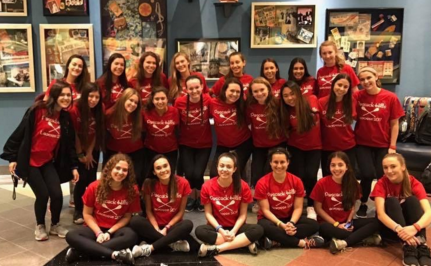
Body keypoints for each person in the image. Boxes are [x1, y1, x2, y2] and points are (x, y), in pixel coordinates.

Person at [1, 81, 79, 241]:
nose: (65, 98)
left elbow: (69, 144)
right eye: (62, 94)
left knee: (57, 195)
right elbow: (20, 133)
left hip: (47, 162)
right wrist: (12, 158)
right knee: (42, 195)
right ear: (54, 95)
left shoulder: (65, 117)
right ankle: (40, 226)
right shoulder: (37, 110)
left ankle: (55, 225)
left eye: (68, 95)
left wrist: (73, 166)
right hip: (29, 161)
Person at [65, 154, 140, 265]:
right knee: (71, 236)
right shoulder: (94, 187)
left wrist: (109, 232)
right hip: (96, 227)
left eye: (125, 170)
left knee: (132, 236)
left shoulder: (132, 190)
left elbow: (127, 216)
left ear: (128, 173)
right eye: (117, 168)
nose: (120, 172)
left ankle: (82, 251)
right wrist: (99, 233)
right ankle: (114, 254)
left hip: (116, 230)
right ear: (110, 169)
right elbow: (87, 214)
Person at [354, 67, 404, 218]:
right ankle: (363, 202)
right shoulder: (358, 96)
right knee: (367, 174)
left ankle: (382, 206)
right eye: (362, 79)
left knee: (383, 175)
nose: (366, 82)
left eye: (369, 77)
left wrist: (392, 146)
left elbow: (395, 124)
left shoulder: (390, 97)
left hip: (383, 144)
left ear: (376, 76)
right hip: (362, 143)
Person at [311, 151, 381, 254]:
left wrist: (348, 222)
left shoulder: (353, 184)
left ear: (347, 167)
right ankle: (360, 238)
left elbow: (352, 206)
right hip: (329, 224)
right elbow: (318, 209)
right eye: (333, 165)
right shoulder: (322, 183)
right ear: (329, 167)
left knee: (376, 222)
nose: (336, 168)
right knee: (323, 228)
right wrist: (336, 224)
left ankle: (342, 242)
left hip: (346, 224)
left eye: (340, 165)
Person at [195, 152, 264, 257]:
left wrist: (233, 231)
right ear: (217, 167)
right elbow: (208, 214)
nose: (224, 169)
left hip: (237, 227)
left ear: (234, 169)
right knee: (199, 231)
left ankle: (217, 248)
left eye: (229, 167)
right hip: (217, 228)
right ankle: (243, 243)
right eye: (222, 166)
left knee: (259, 229)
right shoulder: (207, 186)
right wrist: (221, 230)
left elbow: (243, 215)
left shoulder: (243, 186)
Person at [255, 148, 324, 249]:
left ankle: (276, 241)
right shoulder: (262, 183)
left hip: (290, 218)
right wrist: (281, 225)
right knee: (262, 228)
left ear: (288, 163)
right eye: (275, 162)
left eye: (282, 162)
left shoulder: (296, 181)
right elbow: (265, 210)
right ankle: (301, 243)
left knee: (314, 225)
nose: (279, 166)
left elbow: (298, 208)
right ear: (270, 163)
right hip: (271, 220)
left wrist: (291, 223)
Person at [130, 155, 195, 258]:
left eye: (165, 166)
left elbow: (181, 212)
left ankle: (149, 248)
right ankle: (172, 244)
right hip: (153, 227)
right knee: (135, 221)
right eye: (158, 168)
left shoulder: (183, 183)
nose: (163, 170)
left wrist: (166, 228)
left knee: (188, 224)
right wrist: (156, 229)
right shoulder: (148, 183)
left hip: (172, 227)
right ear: (154, 172)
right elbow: (148, 211)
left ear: (170, 167)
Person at [371, 153, 431, 266]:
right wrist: (402, 231)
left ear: (403, 166)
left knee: (412, 200)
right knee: (392, 201)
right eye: (385, 167)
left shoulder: (414, 183)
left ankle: (422, 245)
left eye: (393, 166)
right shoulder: (381, 183)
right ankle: (408, 247)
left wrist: (414, 228)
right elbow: (381, 214)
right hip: (391, 229)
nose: (389, 171)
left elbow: (429, 212)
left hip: (411, 230)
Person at [280, 80, 321, 220]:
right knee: (298, 177)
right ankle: (296, 205)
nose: (290, 98)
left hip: (315, 146)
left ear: (298, 92)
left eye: (292, 94)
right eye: (285, 96)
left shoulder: (312, 100)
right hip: (295, 146)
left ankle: (310, 206)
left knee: (311, 175)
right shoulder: (285, 110)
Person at [174, 75, 212, 212]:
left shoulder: (208, 100)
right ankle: (192, 198)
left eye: (197, 87)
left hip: (204, 143)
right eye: (191, 88)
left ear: (202, 87)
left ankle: (200, 198)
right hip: (186, 143)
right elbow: (174, 121)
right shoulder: (179, 102)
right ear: (186, 89)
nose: (195, 91)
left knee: (198, 173)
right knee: (189, 173)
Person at [246, 77, 285, 212]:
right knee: (257, 173)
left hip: (276, 145)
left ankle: (272, 200)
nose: (259, 93)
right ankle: (259, 200)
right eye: (255, 91)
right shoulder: (250, 106)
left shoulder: (278, 104)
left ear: (268, 89)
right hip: (258, 145)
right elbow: (248, 123)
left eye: (262, 90)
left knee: (272, 173)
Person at [69, 83, 105, 224]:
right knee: (81, 180)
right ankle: (78, 210)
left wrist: (90, 152)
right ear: (85, 96)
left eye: (97, 97)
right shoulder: (74, 110)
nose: (93, 100)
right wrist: (80, 154)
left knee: (91, 180)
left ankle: (90, 209)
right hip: (77, 148)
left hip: (92, 148)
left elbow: (97, 131)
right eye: (91, 96)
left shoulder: (99, 109)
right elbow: (75, 134)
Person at [209, 78, 252, 179]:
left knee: (234, 172)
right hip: (222, 145)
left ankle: (238, 193)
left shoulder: (243, 104)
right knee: (214, 174)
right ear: (224, 90)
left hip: (243, 144)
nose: (235, 94)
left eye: (238, 92)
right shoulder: (213, 103)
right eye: (232, 91)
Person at [105, 88, 145, 188]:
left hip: (135, 152)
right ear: (123, 99)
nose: (133, 104)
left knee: (136, 178)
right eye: (130, 100)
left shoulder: (139, 115)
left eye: (135, 102)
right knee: (114, 180)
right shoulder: (109, 114)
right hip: (115, 152)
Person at [318, 73, 357, 177]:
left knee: (348, 177)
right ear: (333, 84)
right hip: (327, 147)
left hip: (347, 146)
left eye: (345, 87)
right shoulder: (321, 102)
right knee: (328, 177)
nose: (341, 89)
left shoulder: (352, 101)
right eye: (339, 85)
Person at [143, 87, 180, 178]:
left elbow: (178, 129)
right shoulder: (146, 112)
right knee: (152, 177)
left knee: (168, 176)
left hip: (171, 150)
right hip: (151, 150)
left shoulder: (174, 111)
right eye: (157, 99)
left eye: (163, 98)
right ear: (152, 100)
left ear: (167, 99)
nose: (160, 102)